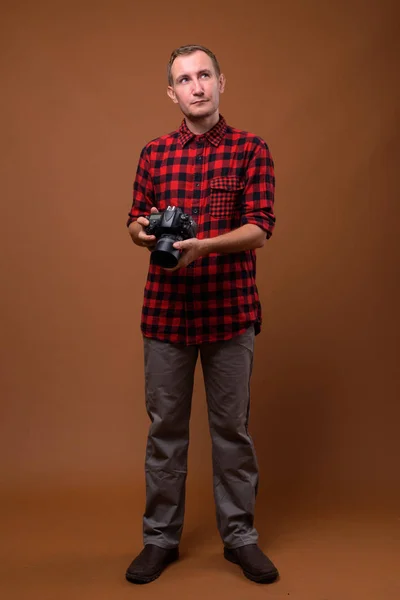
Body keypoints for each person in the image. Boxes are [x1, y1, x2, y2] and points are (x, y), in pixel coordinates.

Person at [125, 44, 278, 585]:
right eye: (184, 79)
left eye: (204, 75)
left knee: (230, 432)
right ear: (172, 92)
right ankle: (159, 539)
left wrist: (204, 246)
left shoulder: (251, 149)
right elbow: (134, 221)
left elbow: (260, 226)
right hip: (165, 314)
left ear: (220, 82)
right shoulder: (153, 153)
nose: (196, 86)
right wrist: (145, 231)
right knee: (165, 431)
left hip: (230, 313)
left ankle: (240, 538)